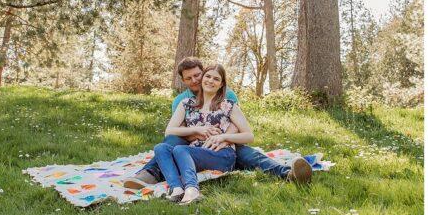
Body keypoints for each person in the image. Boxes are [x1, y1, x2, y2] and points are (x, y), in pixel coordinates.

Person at [123, 57, 312, 188]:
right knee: (170, 143)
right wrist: (199, 132)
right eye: (189, 78)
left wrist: (223, 138)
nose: (195, 80)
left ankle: (288, 173)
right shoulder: (182, 101)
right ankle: (149, 174)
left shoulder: (226, 96)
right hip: (190, 143)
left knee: (246, 153)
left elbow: (236, 124)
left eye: (198, 74)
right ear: (182, 80)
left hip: (223, 142)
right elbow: (176, 131)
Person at [150, 64, 250, 204]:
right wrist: (197, 130)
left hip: (221, 154)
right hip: (195, 153)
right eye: (208, 76)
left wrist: (223, 136)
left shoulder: (228, 105)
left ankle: (192, 189)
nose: (210, 81)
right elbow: (169, 131)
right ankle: (177, 189)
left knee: (180, 149)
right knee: (161, 148)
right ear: (202, 79)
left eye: (216, 79)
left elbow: (249, 136)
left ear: (221, 85)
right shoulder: (186, 104)